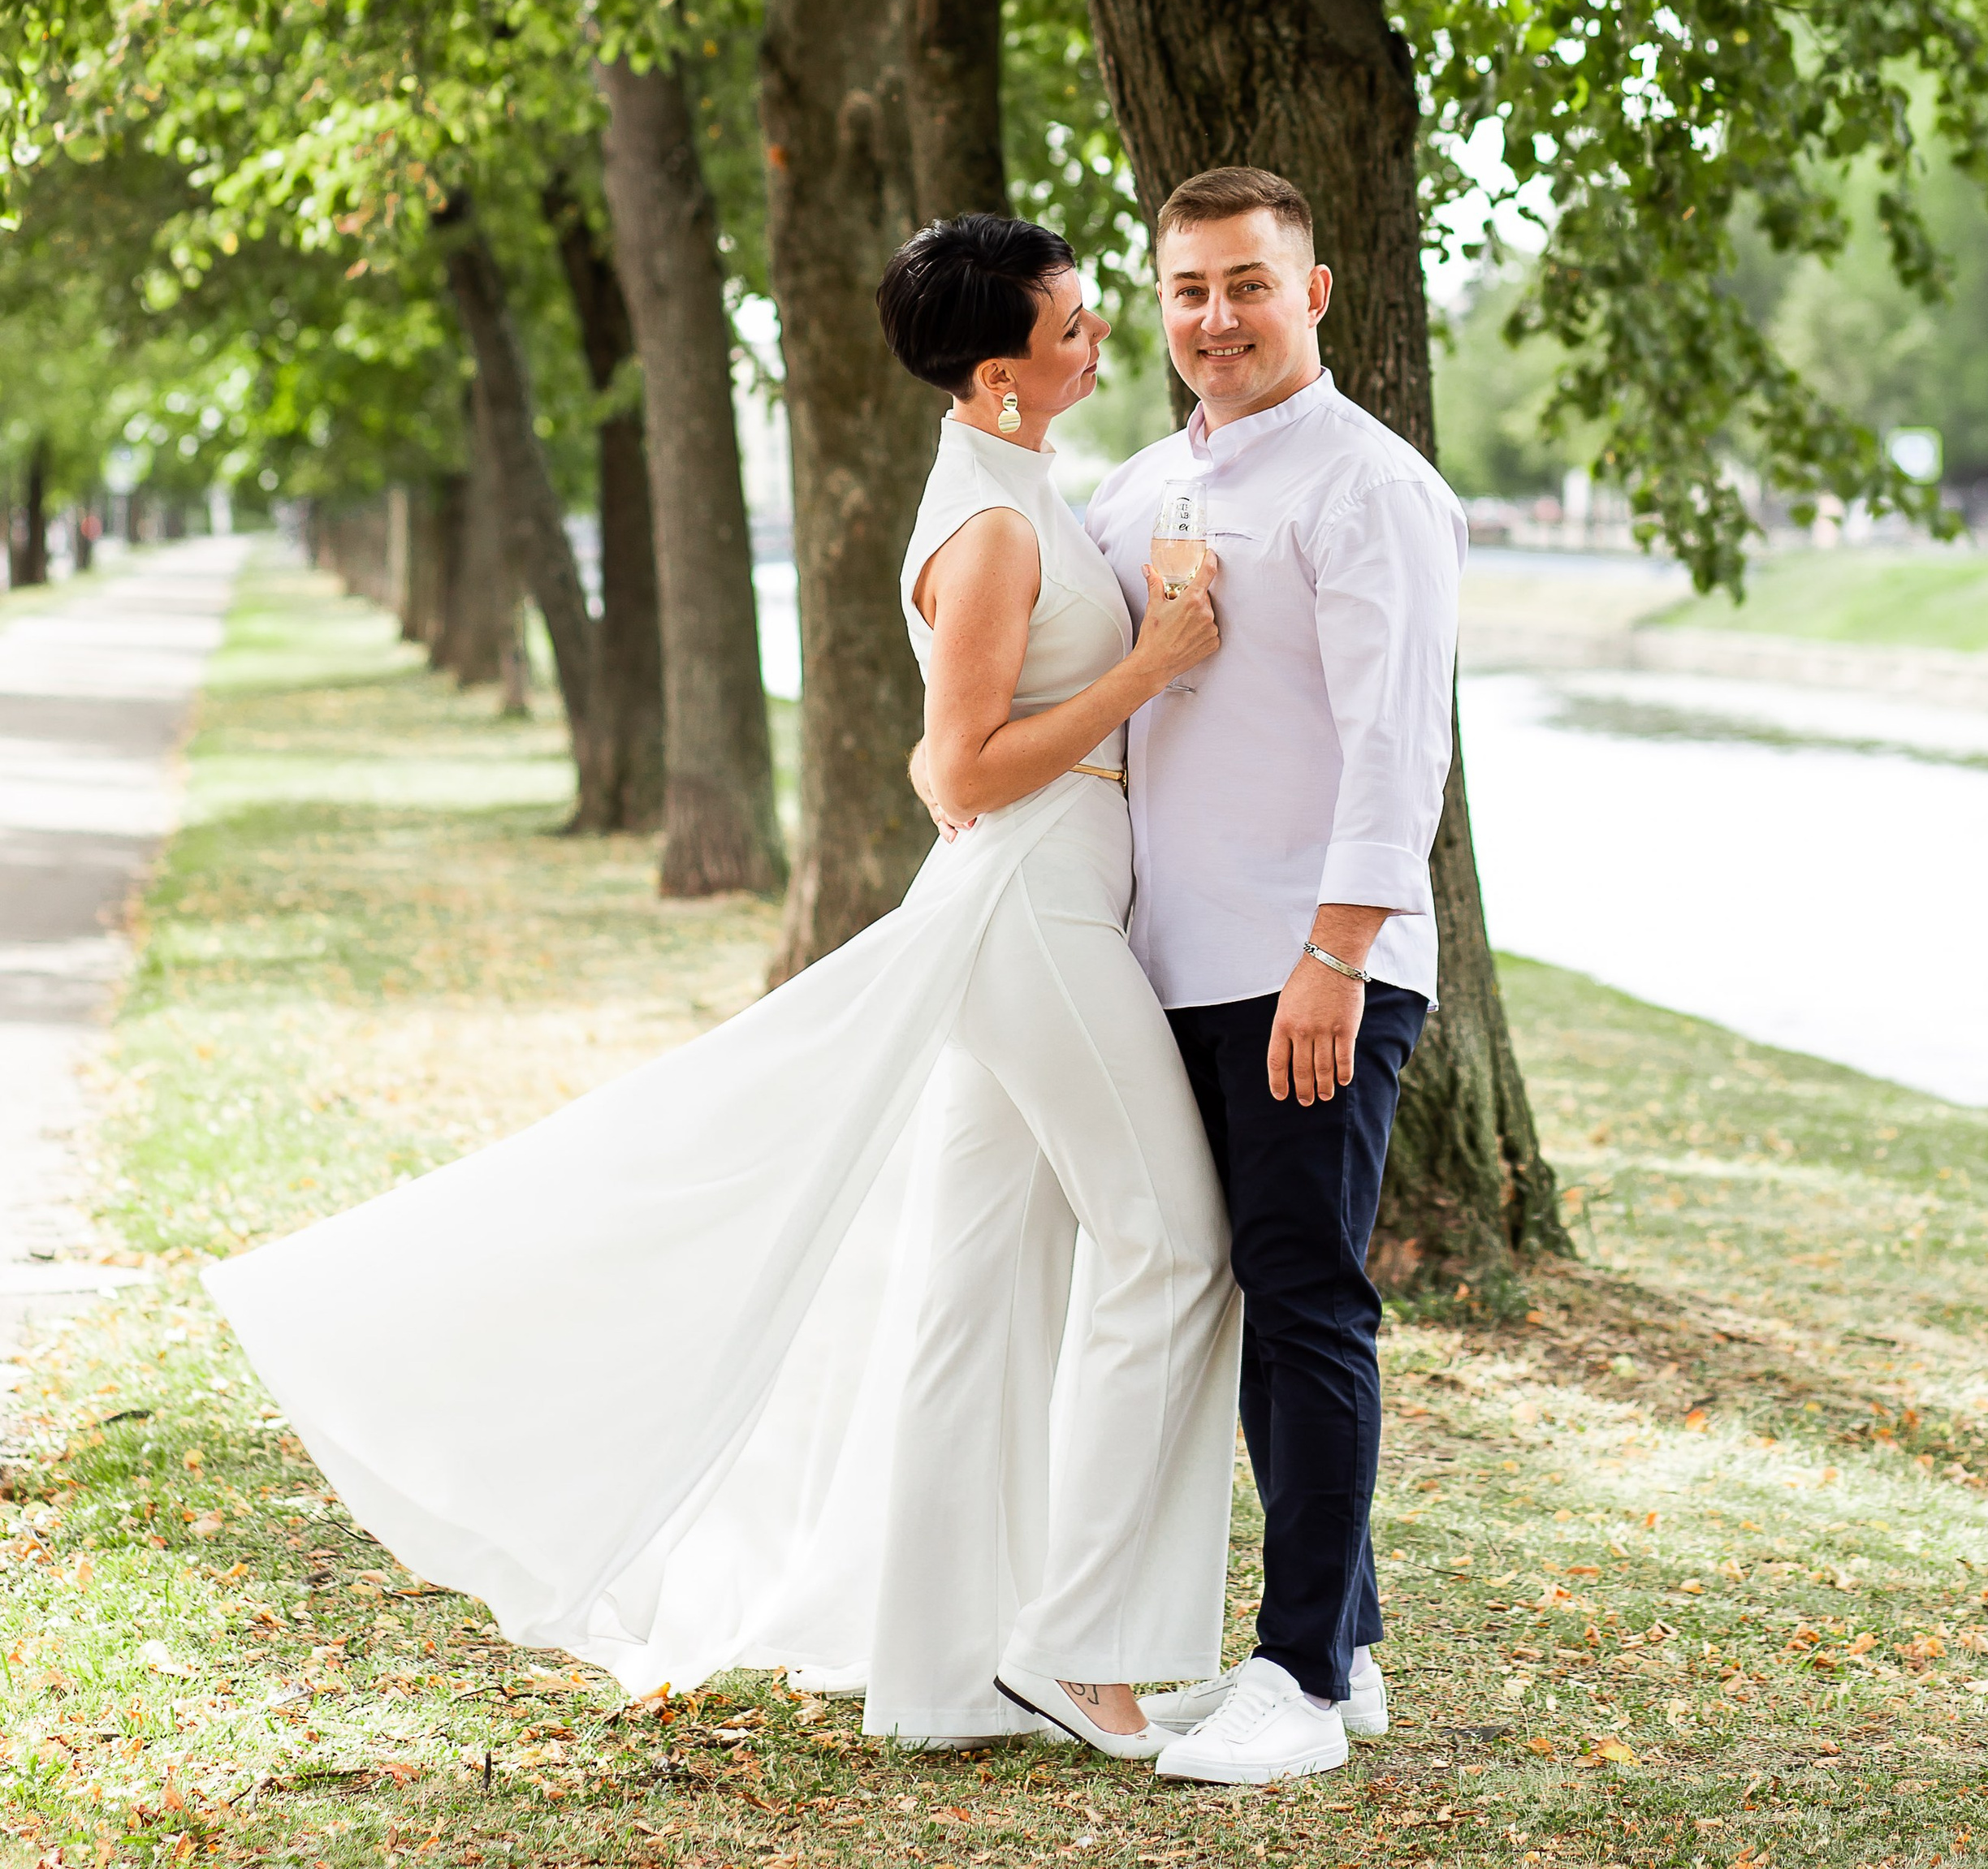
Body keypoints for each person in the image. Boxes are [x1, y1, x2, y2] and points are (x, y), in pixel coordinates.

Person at [205, 213, 1240, 1759]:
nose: (1101, 337)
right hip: (1030, 904)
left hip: (1045, 885)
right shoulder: (999, 523)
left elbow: (948, 736)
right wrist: (1153, 666)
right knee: (1171, 1241)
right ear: (998, 372)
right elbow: (965, 768)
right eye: (1075, 324)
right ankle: (1082, 1643)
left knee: (976, 1288)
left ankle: (950, 1666)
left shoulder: (1016, 487)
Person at [1083, 165, 1467, 1789]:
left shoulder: (1367, 487)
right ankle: (1352, 1649)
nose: (1214, 318)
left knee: (1305, 1302)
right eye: (1186, 290)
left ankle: (1298, 1678)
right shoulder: (1125, 494)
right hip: (1172, 967)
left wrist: (1336, 955)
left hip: (1310, 966)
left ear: (1312, 294)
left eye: (1245, 284)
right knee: (1252, 1292)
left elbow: (1396, 751)